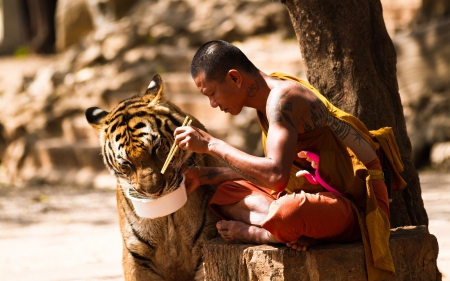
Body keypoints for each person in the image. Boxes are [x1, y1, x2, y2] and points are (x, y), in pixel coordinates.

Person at [174, 40, 401, 279]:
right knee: (226, 193)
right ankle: (297, 230)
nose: (213, 104)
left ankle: (264, 233)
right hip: (311, 192)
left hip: (358, 203)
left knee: (289, 212)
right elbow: (273, 169)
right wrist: (204, 176)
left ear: (234, 78)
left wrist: (211, 144)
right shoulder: (266, 101)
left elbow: (275, 177)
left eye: (211, 93)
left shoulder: (283, 99)